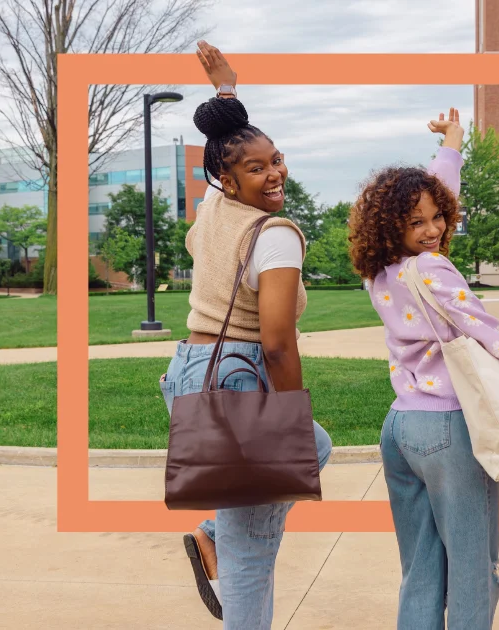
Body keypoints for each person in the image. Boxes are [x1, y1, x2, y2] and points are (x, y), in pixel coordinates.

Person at [347, 108, 499, 629]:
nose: (433, 229)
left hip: (400, 428)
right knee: (472, 572)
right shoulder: (433, 269)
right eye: (416, 222)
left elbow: (425, 205)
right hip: (449, 431)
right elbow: (494, 338)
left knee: (420, 569)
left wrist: (452, 144)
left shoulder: (380, 271)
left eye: (437, 216)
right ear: (392, 225)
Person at [163, 41, 332, 628]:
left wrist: (227, 94)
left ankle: (214, 534)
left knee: (318, 448)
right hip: (241, 374)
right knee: (252, 554)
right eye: (256, 168)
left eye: (277, 159)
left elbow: (223, 151)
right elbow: (279, 341)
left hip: (190, 368)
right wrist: (287, 414)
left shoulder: (214, 208)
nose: (274, 172)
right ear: (229, 180)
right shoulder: (275, 234)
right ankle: (221, 540)